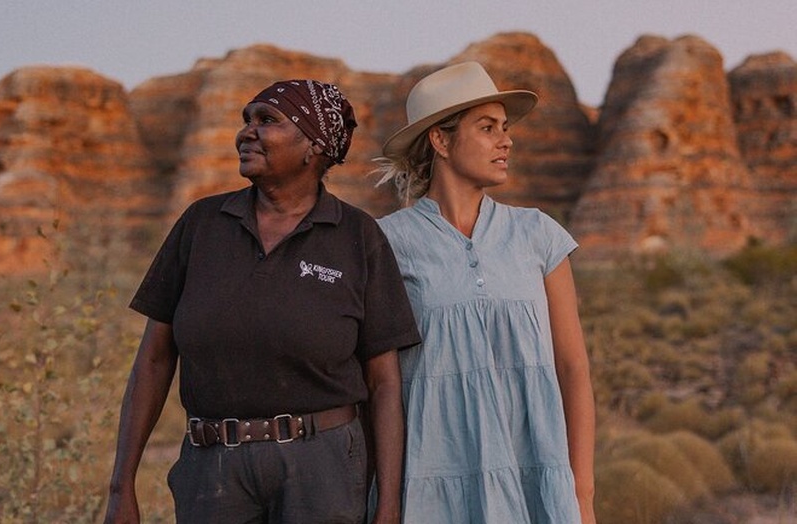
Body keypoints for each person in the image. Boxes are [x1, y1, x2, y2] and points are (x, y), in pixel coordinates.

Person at [104, 79, 421, 524]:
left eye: (267, 120)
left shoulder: (357, 235)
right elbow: (154, 361)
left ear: (313, 145)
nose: (246, 132)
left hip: (322, 471)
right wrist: (122, 486)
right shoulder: (200, 225)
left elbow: (385, 382)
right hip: (213, 471)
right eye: (246, 120)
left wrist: (387, 505)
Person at [373, 62, 597, 523]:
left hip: (534, 477)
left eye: (506, 128)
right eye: (487, 128)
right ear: (441, 140)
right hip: (432, 485)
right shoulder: (386, 243)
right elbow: (378, 386)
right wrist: (388, 502)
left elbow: (573, 369)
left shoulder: (538, 234)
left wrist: (583, 495)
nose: (506, 140)